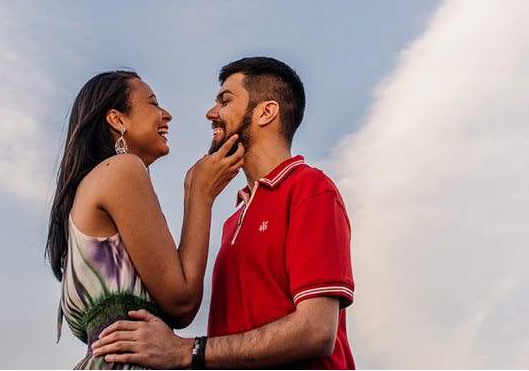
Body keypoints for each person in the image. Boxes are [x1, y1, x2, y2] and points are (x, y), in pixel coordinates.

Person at [91, 57, 355, 369]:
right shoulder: (234, 220)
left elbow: (316, 330)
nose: (211, 112)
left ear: (266, 112)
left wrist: (185, 351)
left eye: (225, 101)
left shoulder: (311, 189)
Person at [47, 70, 244, 369]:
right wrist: (201, 197)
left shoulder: (89, 189)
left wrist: (192, 190)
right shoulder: (122, 169)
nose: (166, 115)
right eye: (153, 103)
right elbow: (181, 303)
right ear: (117, 119)